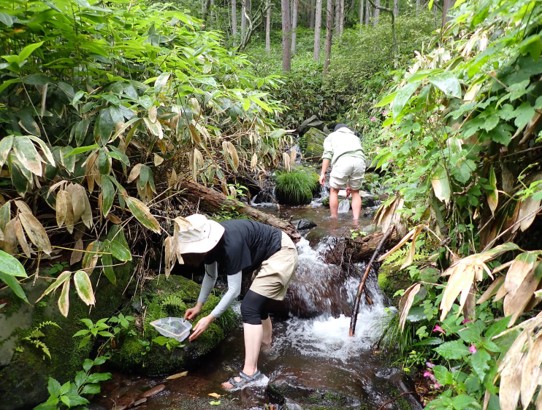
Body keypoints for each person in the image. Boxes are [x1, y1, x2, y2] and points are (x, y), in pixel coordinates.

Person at [178, 214, 298, 390]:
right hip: (270, 253)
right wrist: (198, 306)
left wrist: (210, 318)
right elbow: (211, 276)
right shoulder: (211, 246)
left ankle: (250, 374)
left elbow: (234, 290)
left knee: (249, 307)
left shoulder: (231, 244)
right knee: (258, 304)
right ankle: (266, 348)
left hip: (281, 252)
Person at [319, 123, 366, 221]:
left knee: (334, 191)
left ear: (336, 130)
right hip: (360, 161)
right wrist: (349, 185)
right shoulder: (354, 137)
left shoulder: (332, 136)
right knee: (355, 192)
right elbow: (352, 158)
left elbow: (327, 155)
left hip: (343, 161)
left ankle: (334, 218)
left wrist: (323, 173)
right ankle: (356, 220)